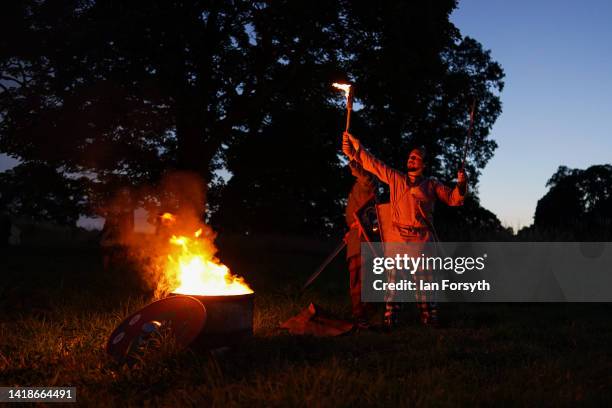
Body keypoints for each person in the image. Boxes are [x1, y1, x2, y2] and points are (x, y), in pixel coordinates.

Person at [342, 132, 467, 329]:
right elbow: (375, 165)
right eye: (410, 156)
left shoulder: (431, 184)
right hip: (398, 238)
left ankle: (429, 320)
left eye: (416, 157)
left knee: (424, 285)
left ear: (423, 164)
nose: (411, 159)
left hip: (421, 239)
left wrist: (461, 183)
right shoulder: (396, 178)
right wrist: (358, 148)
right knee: (394, 284)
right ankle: (390, 321)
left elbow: (455, 199)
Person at [345, 161, 375, 328]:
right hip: (354, 240)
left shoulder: (368, 184)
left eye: (355, 165)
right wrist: (350, 229)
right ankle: (358, 313)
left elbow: (366, 181)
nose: (351, 167)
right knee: (355, 279)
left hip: (366, 240)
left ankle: (365, 314)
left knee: (366, 278)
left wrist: (358, 169)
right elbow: (351, 216)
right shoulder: (354, 188)